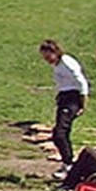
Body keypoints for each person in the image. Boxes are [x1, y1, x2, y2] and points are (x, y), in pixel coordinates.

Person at [39, 38, 88, 168]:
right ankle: (68, 162)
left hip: (72, 98)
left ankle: (69, 163)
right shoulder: (58, 64)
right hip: (64, 97)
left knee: (59, 134)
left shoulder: (66, 62)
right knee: (61, 133)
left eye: (48, 56)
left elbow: (81, 82)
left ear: (55, 51)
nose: (47, 60)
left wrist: (83, 102)